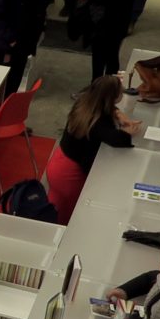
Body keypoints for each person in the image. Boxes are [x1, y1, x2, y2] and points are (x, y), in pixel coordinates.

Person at [44, 75, 142, 222]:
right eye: (121, 92)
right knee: (68, 216)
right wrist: (129, 132)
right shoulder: (98, 122)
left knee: (55, 207)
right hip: (70, 175)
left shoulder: (85, 102)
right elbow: (116, 139)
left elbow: (105, 106)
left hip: (59, 162)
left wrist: (117, 113)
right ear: (113, 97)